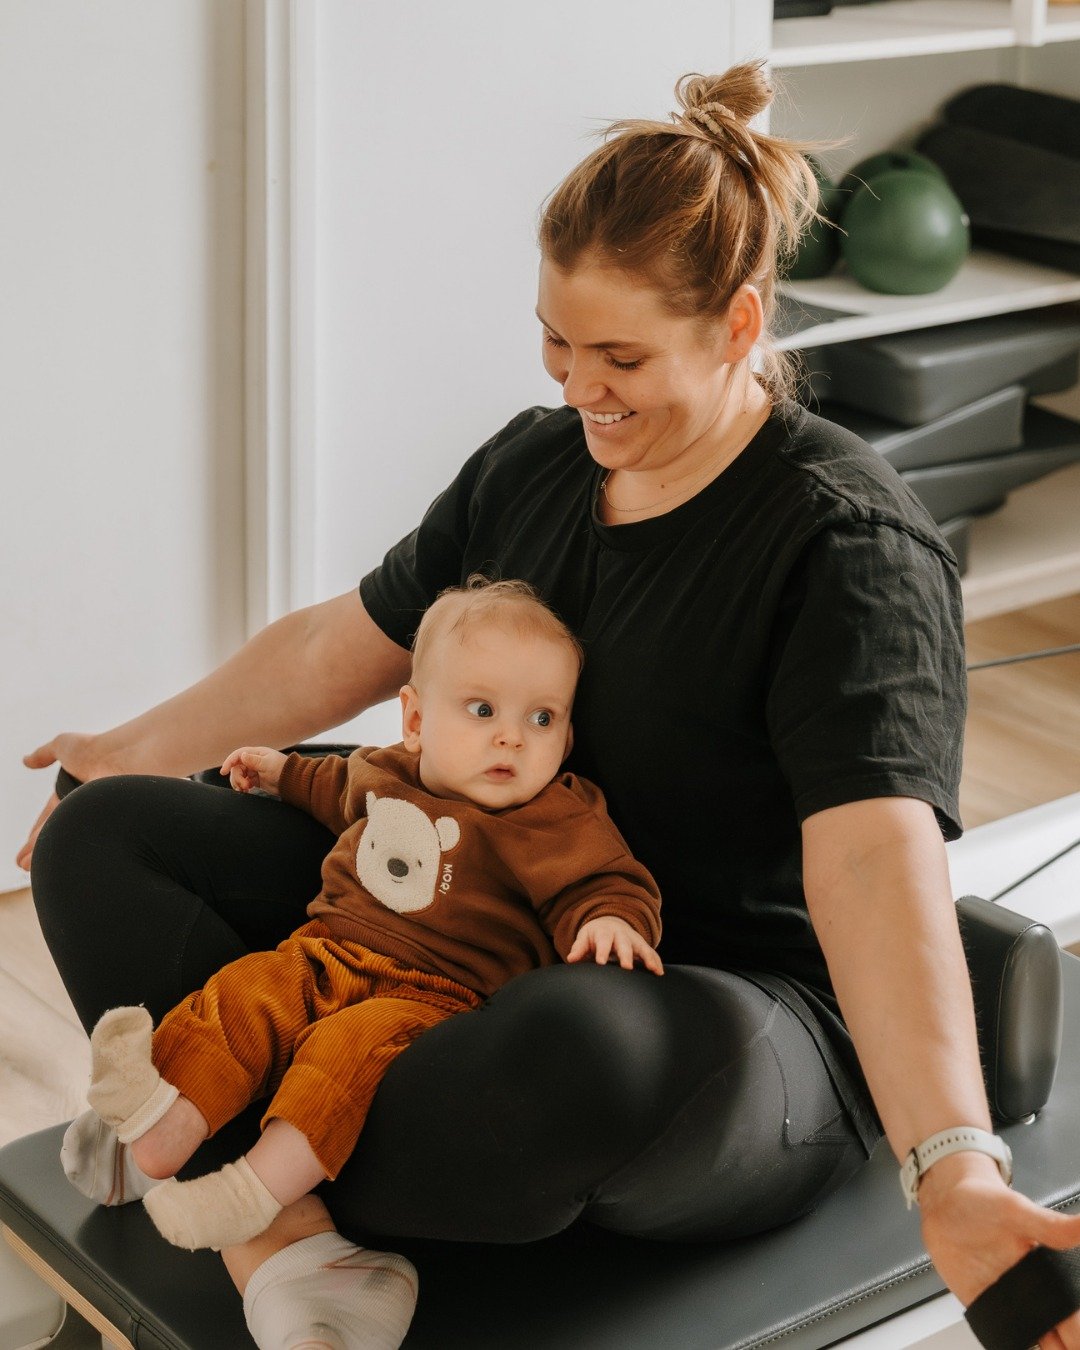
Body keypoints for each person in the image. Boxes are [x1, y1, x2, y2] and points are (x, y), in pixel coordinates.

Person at [22, 58, 1080, 1347]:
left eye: (622, 356)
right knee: (109, 837)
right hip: (457, 914)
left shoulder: (847, 547)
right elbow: (339, 645)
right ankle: (277, 1234)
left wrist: (954, 1170)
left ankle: (199, 1135)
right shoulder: (535, 462)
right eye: (557, 342)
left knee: (572, 1047)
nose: (581, 387)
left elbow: (871, 859)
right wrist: (113, 755)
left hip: (711, 1004)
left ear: (740, 328)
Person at [60, 577, 662, 1346]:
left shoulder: (557, 818)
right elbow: (329, 782)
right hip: (322, 954)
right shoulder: (385, 771)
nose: (512, 737)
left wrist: (612, 920)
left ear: (567, 739)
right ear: (415, 719)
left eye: (541, 719)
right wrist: (276, 772)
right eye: (483, 711)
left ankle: (254, 1193)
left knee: (340, 1057)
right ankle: (165, 1128)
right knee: (242, 995)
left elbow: (608, 880)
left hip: (431, 997)